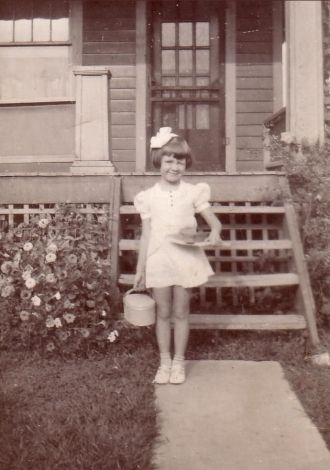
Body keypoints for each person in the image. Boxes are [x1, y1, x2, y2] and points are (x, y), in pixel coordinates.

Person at [133, 127, 222, 385]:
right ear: (158, 162)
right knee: (162, 313)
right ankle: (164, 362)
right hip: (158, 259)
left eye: (179, 161)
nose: (174, 167)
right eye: (169, 161)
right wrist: (141, 269)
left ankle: (179, 362)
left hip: (185, 258)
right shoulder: (147, 198)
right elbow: (146, 235)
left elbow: (214, 222)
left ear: (186, 163)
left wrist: (215, 232)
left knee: (181, 312)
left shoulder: (193, 192)